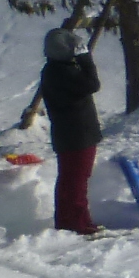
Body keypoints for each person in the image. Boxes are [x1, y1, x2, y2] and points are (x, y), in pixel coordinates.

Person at [39, 29, 102, 235]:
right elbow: (92, 84)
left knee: (71, 178)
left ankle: (71, 221)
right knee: (76, 179)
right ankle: (77, 223)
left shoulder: (52, 69)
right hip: (78, 134)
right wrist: (86, 59)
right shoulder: (64, 72)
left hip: (70, 134)